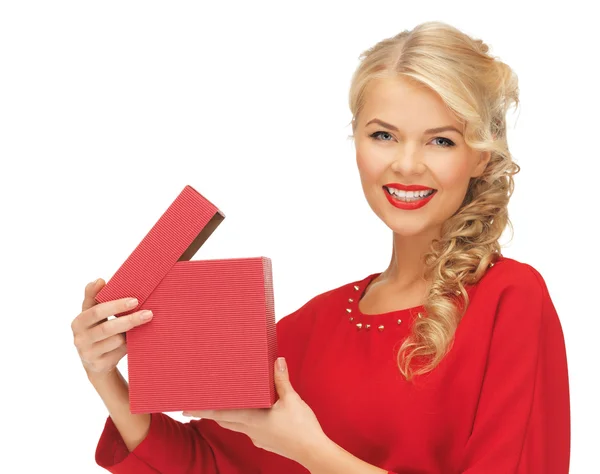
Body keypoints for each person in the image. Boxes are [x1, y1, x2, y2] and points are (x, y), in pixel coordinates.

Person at [71, 20, 570, 474]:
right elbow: (209, 464)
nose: (407, 164)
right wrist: (105, 375)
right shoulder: (317, 324)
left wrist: (309, 450)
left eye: (441, 141)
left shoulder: (511, 298)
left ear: (481, 157)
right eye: (384, 135)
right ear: (356, 141)